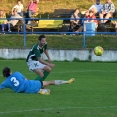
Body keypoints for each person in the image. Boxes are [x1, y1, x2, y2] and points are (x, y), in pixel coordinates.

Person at [0, 67, 75, 94]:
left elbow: (0, 87)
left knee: (41, 89)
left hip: (25, 91)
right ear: (10, 72)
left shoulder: (6, 82)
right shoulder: (16, 73)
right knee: (48, 83)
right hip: (29, 84)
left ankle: (42, 91)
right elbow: (26, 79)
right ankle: (66, 81)